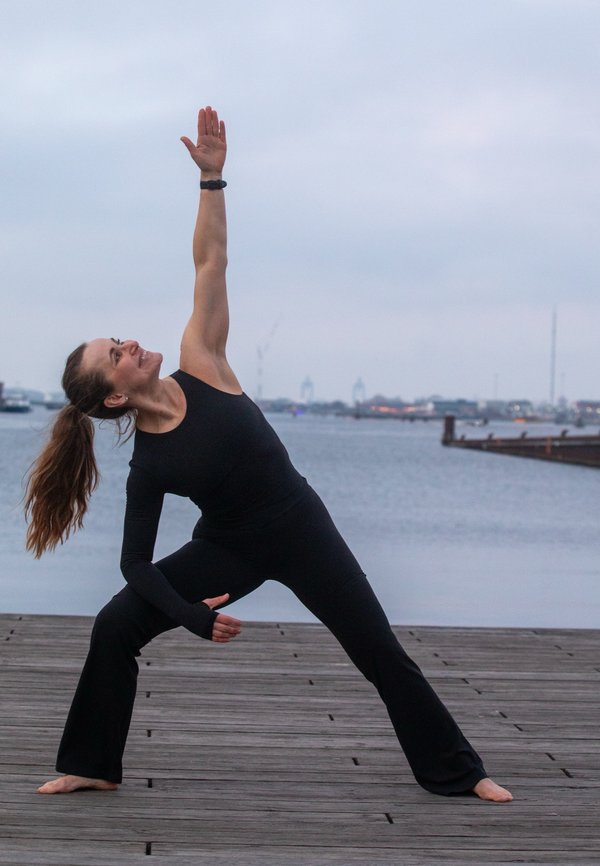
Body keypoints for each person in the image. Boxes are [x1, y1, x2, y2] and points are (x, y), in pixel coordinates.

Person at [25, 106, 512, 802]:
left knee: (378, 651)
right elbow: (134, 563)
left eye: (119, 337)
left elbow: (210, 260)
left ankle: (460, 773)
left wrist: (213, 180)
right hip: (231, 548)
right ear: (112, 398)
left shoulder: (205, 360)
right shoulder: (151, 464)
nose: (128, 342)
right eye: (115, 354)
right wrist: (192, 616)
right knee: (114, 625)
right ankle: (93, 762)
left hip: (301, 527)